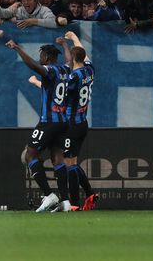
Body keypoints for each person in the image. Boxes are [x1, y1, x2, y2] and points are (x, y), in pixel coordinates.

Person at [5, 37, 71, 212]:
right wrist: (65, 44)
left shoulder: (49, 69)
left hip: (49, 121)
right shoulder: (66, 69)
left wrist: (18, 49)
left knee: (30, 155)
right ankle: (65, 201)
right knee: (58, 158)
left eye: (42, 55)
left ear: (47, 57)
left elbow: (35, 66)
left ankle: (49, 194)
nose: (40, 57)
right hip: (63, 121)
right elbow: (70, 60)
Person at [62, 31, 96, 212]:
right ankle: (89, 193)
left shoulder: (73, 77)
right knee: (73, 163)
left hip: (72, 124)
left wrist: (36, 82)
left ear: (73, 59)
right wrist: (74, 38)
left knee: (69, 164)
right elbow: (84, 53)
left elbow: (61, 95)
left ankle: (74, 203)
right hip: (83, 123)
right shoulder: (90, 70)